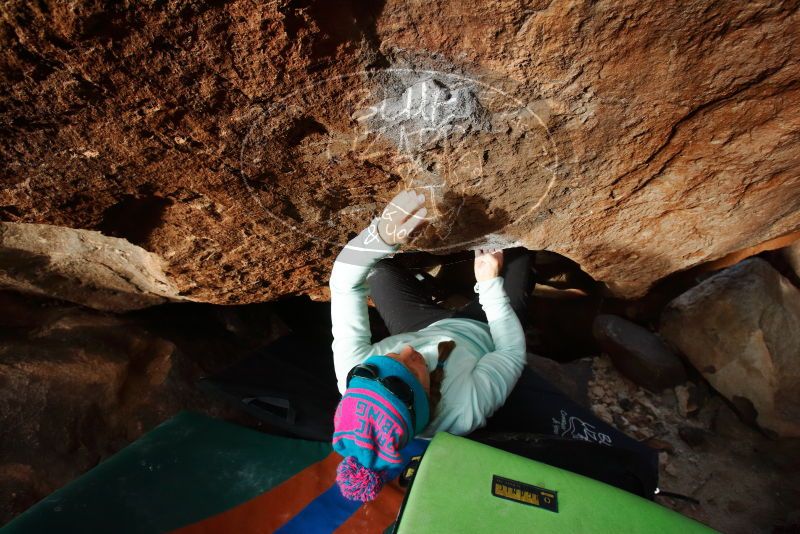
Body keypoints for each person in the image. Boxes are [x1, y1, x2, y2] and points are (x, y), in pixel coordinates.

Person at [329, 190, 533, 501]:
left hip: (422, 327)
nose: (409, 351)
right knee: (518, 254)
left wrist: (380, 236)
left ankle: (440, 288)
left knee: (378, 271)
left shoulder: (354, 373)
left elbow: (344, 285)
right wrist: (490, 285)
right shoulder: (463, 411)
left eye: (389, 357)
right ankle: (462, 289)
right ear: (427, 397)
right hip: (481, 330)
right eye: (414, 367)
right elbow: (511, 353)